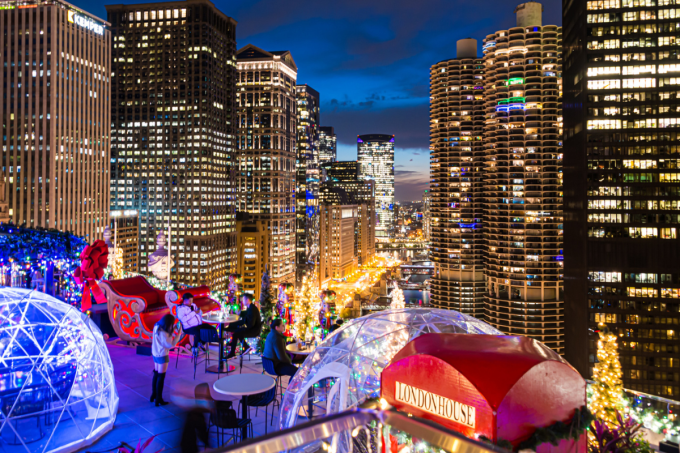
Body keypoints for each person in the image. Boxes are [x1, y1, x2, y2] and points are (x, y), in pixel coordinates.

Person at [151, 313, 176, 406]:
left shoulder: (157, 326)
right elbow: (171, 345)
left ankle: (153, 395)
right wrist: (179, 333)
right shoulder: (164, 333)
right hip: (162, 355)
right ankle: (159, 399)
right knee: (161, 377)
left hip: (155, 353)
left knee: (156, 374)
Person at [226, 294, 261, 359]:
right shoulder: (250, 307)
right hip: (252, 328)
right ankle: (245, 347)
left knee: (236, 333)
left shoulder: (252, 309)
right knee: (237, 331)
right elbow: (246, 315)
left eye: (244, 299)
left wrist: (243, 327)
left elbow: (251, 324)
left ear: (247, 300)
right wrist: (240, 314)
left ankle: (232, 353)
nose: (242, 301)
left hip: (254, 330)